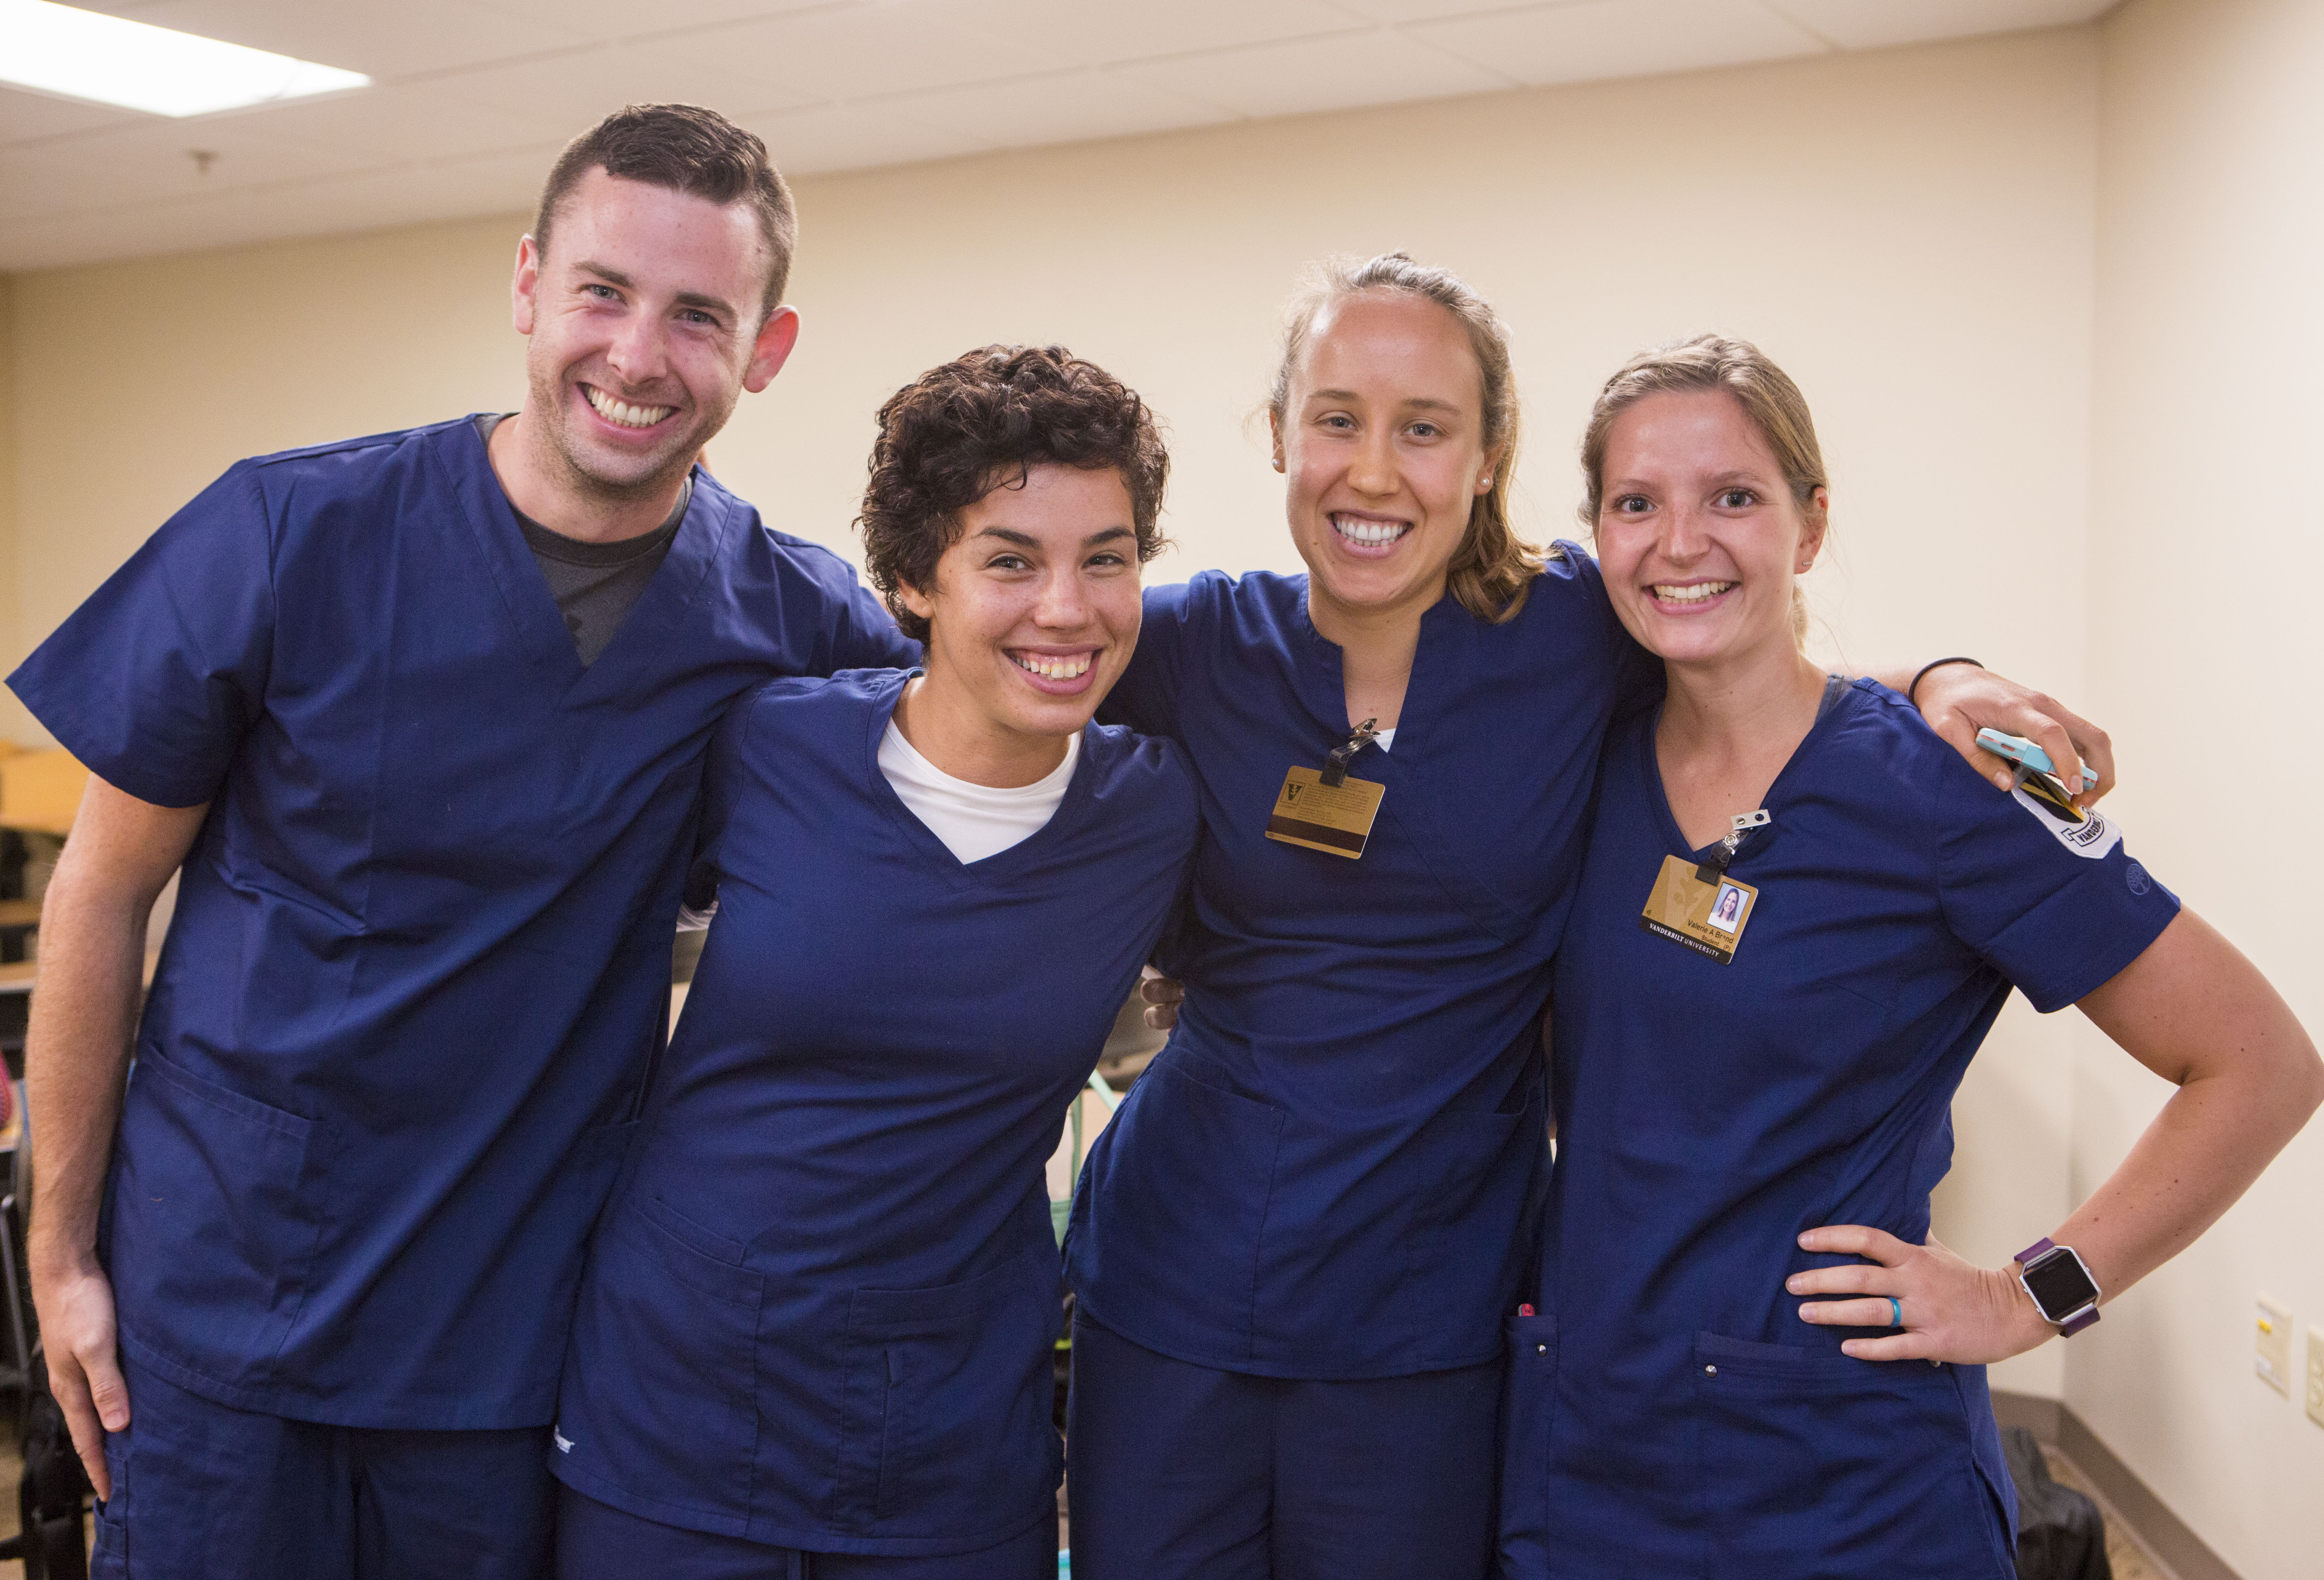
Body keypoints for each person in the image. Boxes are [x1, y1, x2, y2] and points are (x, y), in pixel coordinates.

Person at [1061, 254, 2110, 1579]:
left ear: (1488, 455)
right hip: (1176, 1273)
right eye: (1336, 418)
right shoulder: (1186, 646)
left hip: (1429, 1310)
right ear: (1279, 434)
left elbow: (1758, 659)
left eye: (1425, 427)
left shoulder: (1565, 633)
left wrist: (1938, 676)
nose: (1374, 470)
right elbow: (990, 670)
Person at [9, 105, 917, 1580]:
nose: (637, 355)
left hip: (515, 1341)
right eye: (603, 293)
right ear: (526, 288)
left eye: (699, 315)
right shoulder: (291, 532)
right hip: (221, 1310)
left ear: (768, 347)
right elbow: (102, 894)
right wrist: (61, 1258)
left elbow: (975, 772)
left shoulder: (792, 627)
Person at [1497, 335, 2322, 1577]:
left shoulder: (1950, 786)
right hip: (1588, 1453)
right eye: (1635, 503)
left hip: (1843, 1483)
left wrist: (2025, 1296)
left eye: (1733, 497)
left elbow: (2261, 1064)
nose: (1680, 543)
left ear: (1811, 522)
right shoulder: (1580, 756)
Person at [548, 345, 1197, 1577]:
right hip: (675, 1402)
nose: (1067, 607)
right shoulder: (767, 748)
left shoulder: (1154, 816)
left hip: (949, 1430)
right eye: (1009, 559)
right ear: (914, 579)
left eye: (1105, 559)